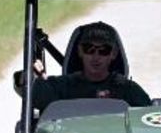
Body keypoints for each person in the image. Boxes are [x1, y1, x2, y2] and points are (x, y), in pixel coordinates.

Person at [19, 22, 151, 110]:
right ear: (80, 51)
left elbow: (148, 116)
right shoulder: (63, 86)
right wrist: (27, 77)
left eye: (103, 50)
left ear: (113, 54)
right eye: (89, 49)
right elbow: (31, 90)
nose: (96, 56)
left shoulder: (128, 90)